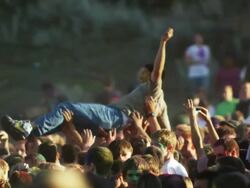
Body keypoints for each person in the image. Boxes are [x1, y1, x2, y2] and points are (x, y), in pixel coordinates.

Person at [1, 28, 174, 142]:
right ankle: (27, 131)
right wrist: (175, 140)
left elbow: (158, 71)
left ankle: (28, 128)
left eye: (145, 72)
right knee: (64, 119)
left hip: (115, 116)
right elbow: (167, 136)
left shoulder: (155, 89)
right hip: (112, 122)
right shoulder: (162, 106)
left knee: (64, 108)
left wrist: (163, 43)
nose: (141, 74)